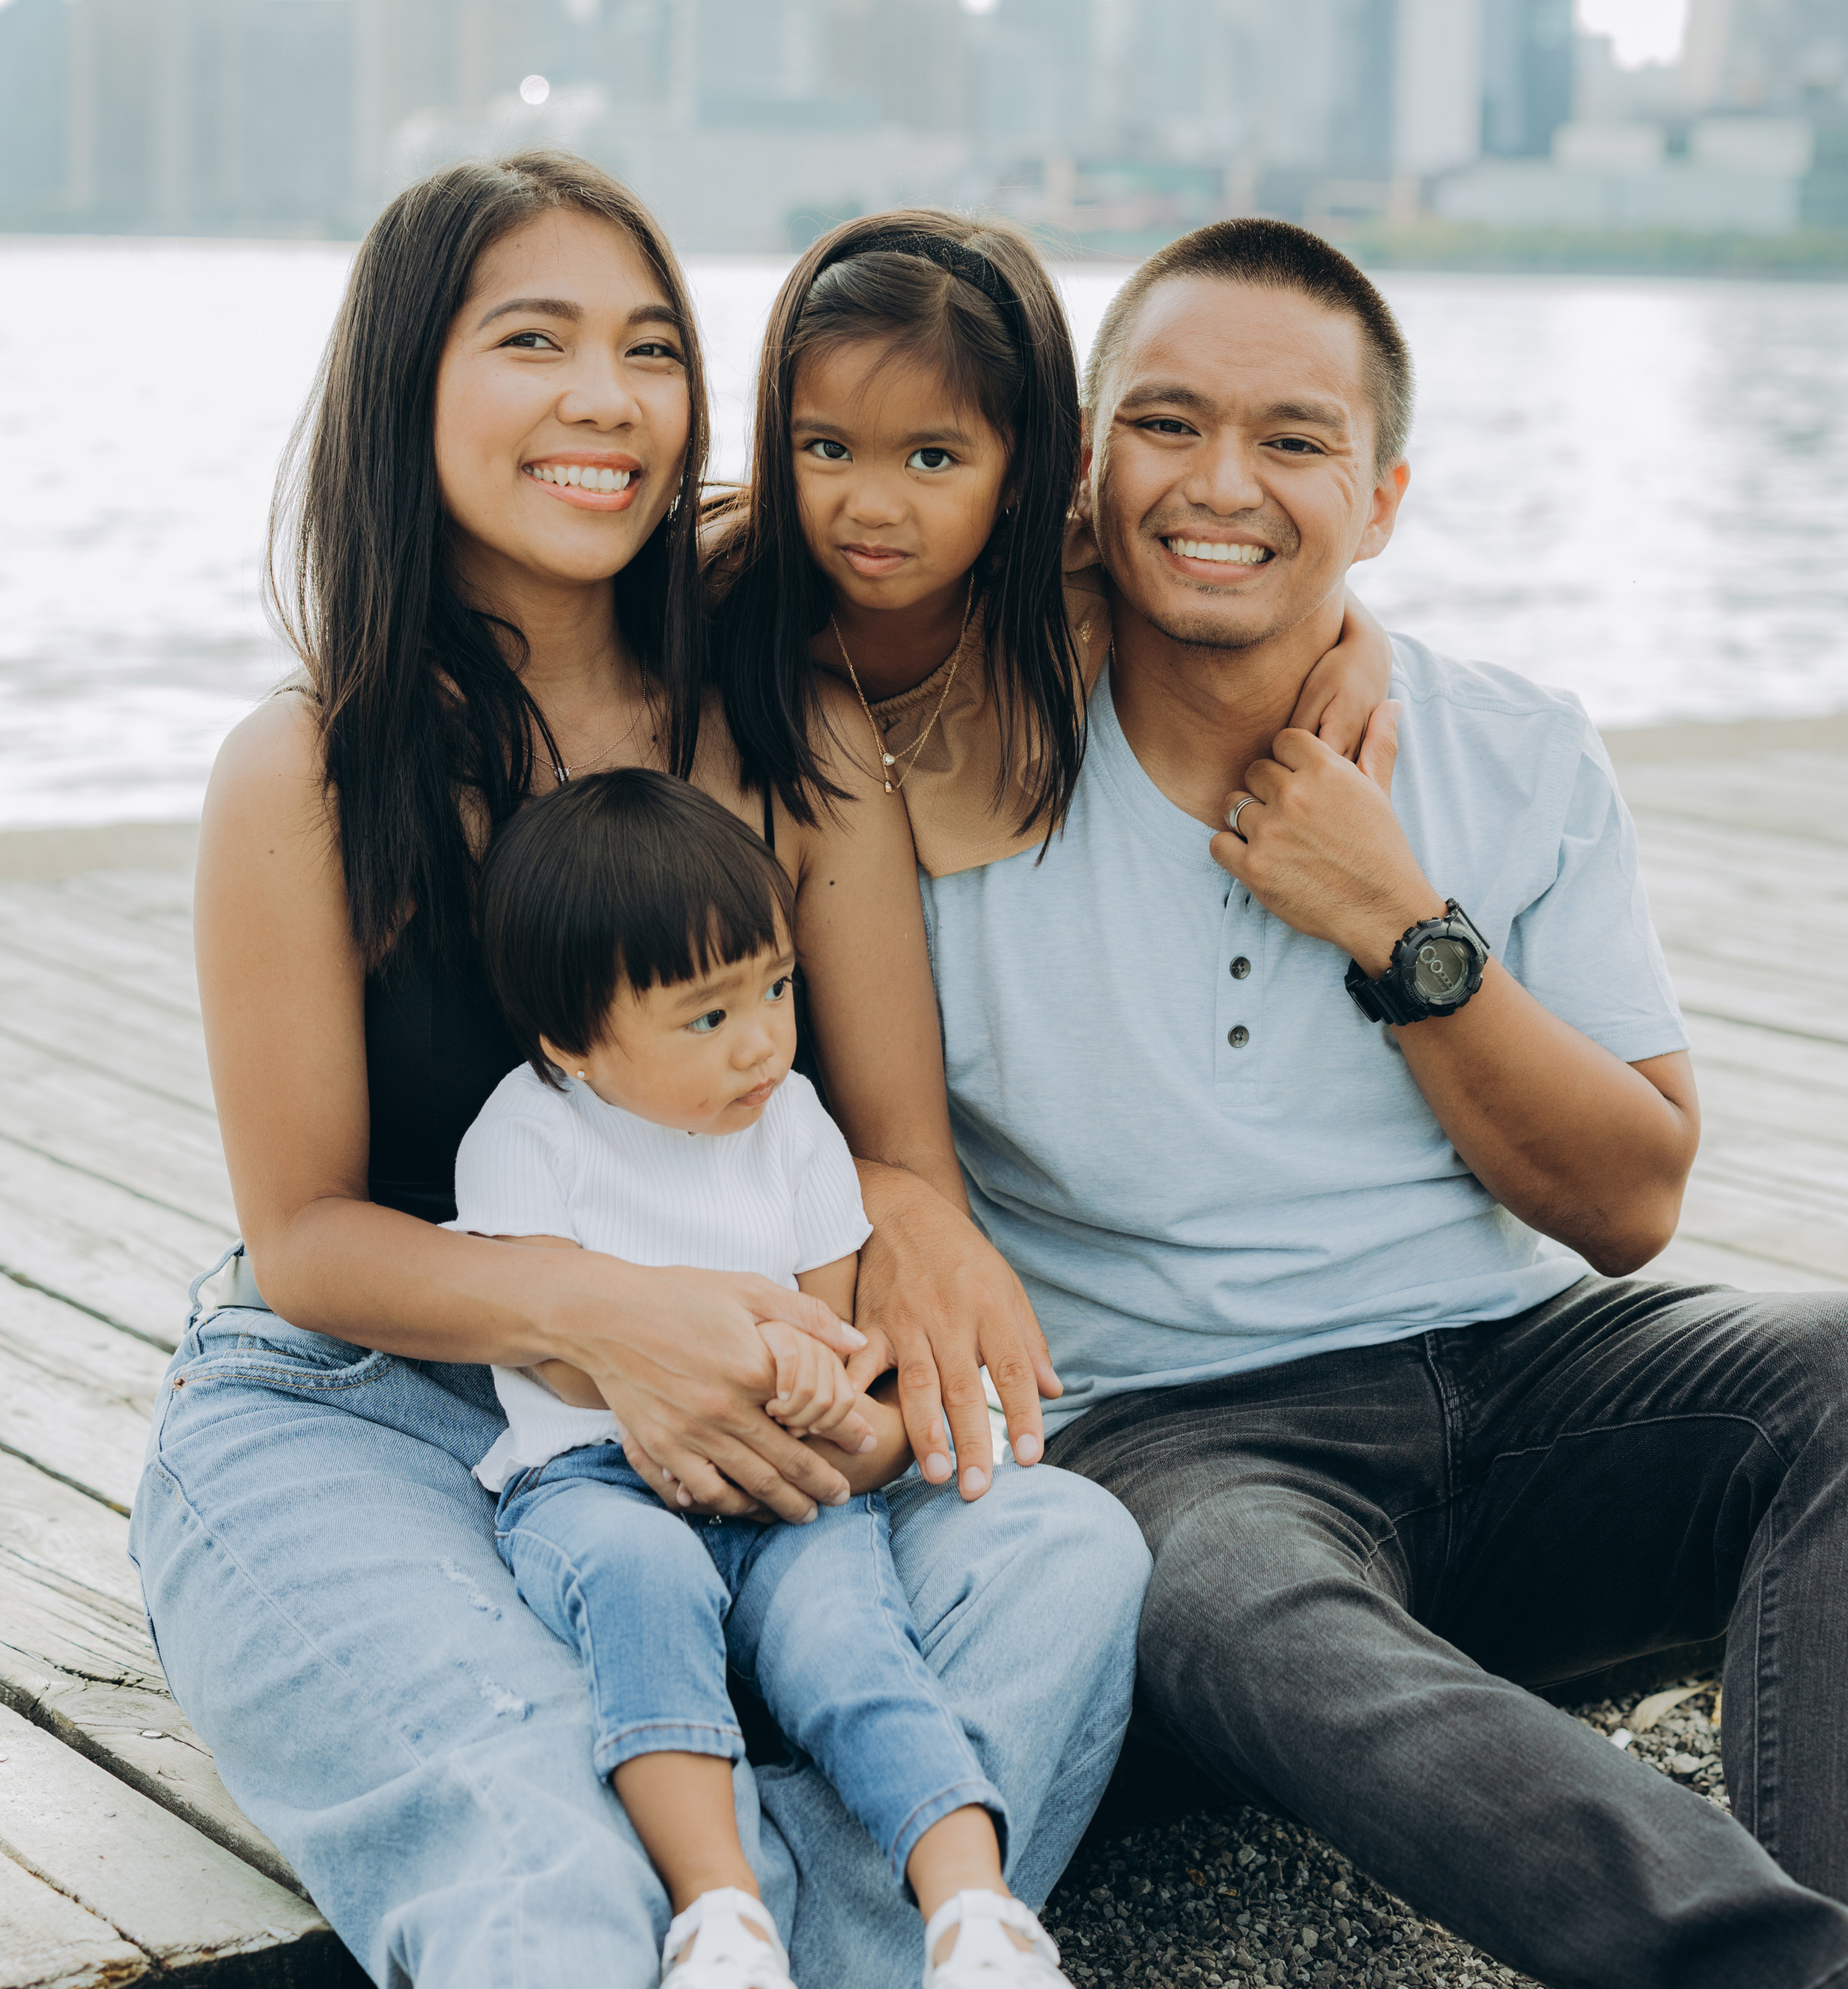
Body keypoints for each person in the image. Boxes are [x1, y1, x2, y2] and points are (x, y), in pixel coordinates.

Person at [830, 213, 1848, 1989]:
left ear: (1381, 500)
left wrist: (1397, 926)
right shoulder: (939, 774)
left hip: (1522, 1378)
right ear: (1081, 477)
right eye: (1164, 425)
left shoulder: (1511, 744)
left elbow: (1630, 1206)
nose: (1220, 484)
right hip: (1179, 1440)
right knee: (1195, 1583)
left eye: (1293, 439)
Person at [128, 151, 1148, 1989]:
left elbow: (897, 1158)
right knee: (539, 1840)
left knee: (1067, 1553)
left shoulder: (784, 710)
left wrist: (856, 1353)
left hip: (752, 1395)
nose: (607, 397)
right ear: (406, 385)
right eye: (535, 340)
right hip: (364, 1402)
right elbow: (305, 1237)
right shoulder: (304, 769)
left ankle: (762, 1936)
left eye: (651, 349)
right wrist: (616, 1320)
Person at [706, 213, 1391, 1502]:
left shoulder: (1067, 584)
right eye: (825, 449)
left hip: (907, 1094)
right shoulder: (717, 608)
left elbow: (1266, 571)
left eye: (933, 456)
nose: (871, 502)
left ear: (1035, 475)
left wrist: (1362, 640)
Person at [456, 767, 1061, 1989]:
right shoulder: (529, 1133)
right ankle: (718, 1908)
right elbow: (555, 1355)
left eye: (776, 988)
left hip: (786, 1478)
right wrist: (737, 1370)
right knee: (640, 1579)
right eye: (707, 1016)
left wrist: (832, 1398)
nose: (765, 1040)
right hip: (595, 1478)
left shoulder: (793, 1126)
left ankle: (975, 1913)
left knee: (851, 1631)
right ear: (571, 1040)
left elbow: (830, 1323)